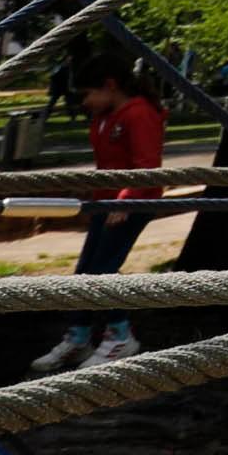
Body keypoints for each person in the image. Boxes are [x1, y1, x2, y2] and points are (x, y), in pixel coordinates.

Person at [29, 46, 165, 373]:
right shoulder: (105, 116)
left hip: (133, 204)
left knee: (102, 271)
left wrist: (126, 200)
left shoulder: (139, 113)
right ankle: (79, 336)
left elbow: (147, 166)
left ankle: (121, 336)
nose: (84, 102)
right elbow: (109, 163)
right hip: (107, 203)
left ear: (110, 85)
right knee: (85, 272)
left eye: (88, 93)